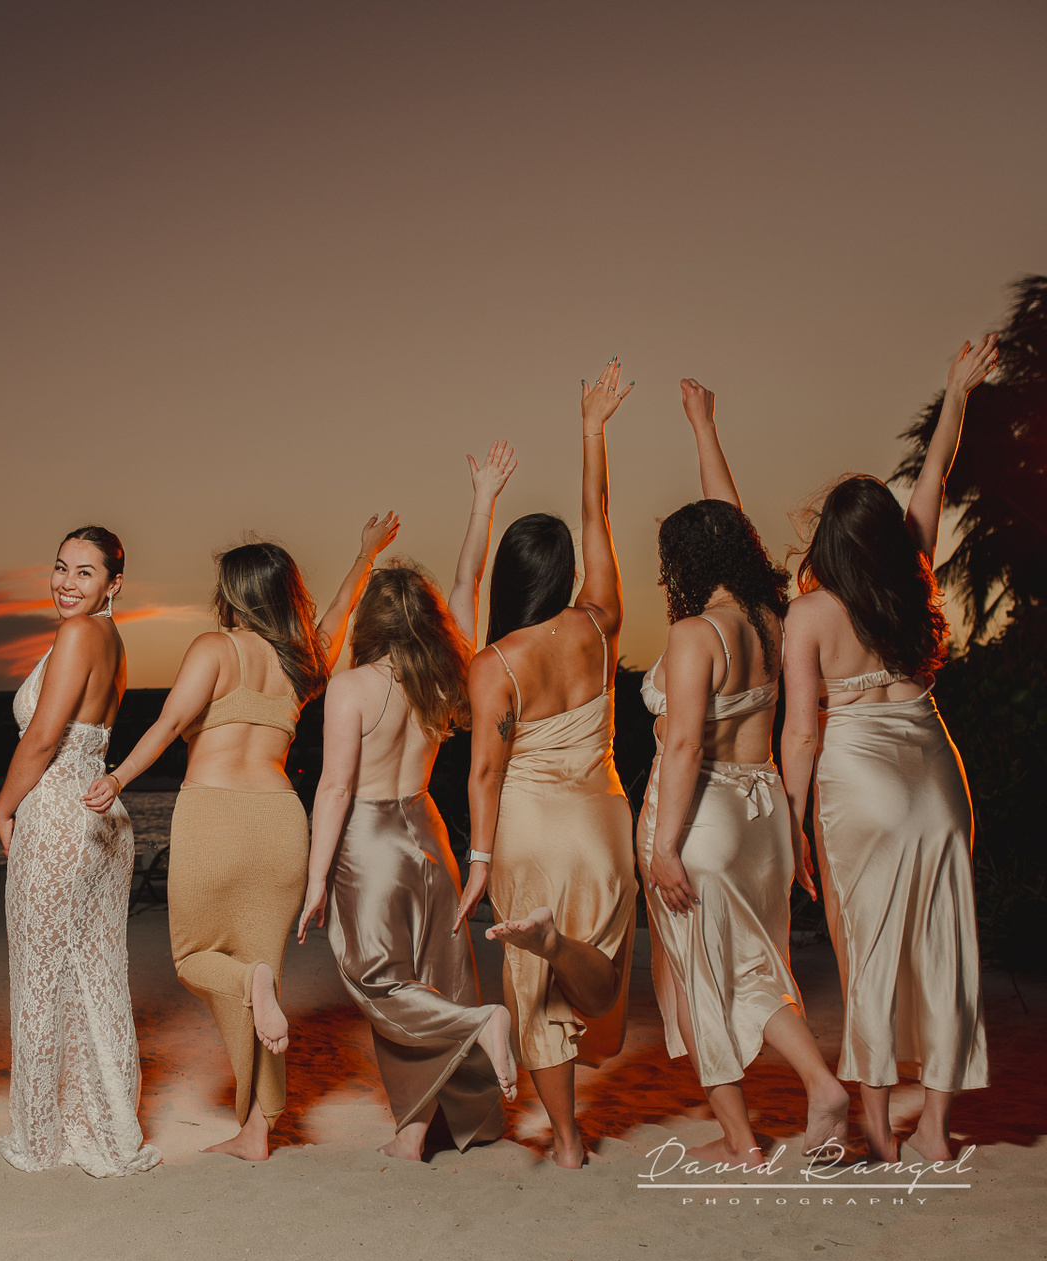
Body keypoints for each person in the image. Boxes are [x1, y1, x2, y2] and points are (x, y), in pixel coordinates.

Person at [86, 515, 398, 1161]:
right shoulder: (301, 660)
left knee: (194, 959)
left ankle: (252, 990)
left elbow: (168, 724)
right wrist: (365, 554)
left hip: (215, 815)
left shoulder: (214, 647)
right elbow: (339, 612)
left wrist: (116, 778)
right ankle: (257, 1130)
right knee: (261, 985)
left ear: (232, 592)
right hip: (280, 821)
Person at [780, 337, 997, 1162]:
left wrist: (792, 820)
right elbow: (934, 475)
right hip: (936, 770)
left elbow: (803, 730)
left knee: (865, 953)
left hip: (858, 777)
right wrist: (957, 390)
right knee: (947, 947)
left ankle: (877, 1129)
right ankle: (935, 1129)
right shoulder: (914, 577)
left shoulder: (810, 616)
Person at [637, 382, 849, 1163]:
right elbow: (726, 514)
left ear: (683, 565)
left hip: (702, 814)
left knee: (699, 975)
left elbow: (684, 748)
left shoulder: (697, 633)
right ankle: (819, 1084)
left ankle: (742, 1142)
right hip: (762, 814)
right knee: (756, 966)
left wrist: (664, 846)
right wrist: (704, 426)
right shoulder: (774, 620)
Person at [297, 442, 521, 1160]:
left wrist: (315, 882)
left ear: (369, 623)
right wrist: (483, 499)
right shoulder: (446, 675)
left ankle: (481, 1023)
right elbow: (468, 578)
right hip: (428, 833)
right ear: (427, 620)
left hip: (369, 844)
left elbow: (335, 787)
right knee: (433, 981)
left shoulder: (351, 688)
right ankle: (416, 1131)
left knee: (380, 984)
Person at [453, 360, 637, 1169]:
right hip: (602, 820)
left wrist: (478, 860)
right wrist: (592, 430)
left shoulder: (494, 663)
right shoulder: (600, 623)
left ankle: (566, 1142)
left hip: (529, 829)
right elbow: (599, 513)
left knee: (531, 991)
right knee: (601, 968)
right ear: (565, 575)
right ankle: (561, 944)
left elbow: (484, 775)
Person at [0, 525, 161, 1177]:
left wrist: (2, 807)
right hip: (103, 821)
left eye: (85, 572)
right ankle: (109, 1123)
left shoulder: (77, 635)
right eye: (60, 567)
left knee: (40, 973)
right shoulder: (114, 641)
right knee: (96, 971)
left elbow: (41, 738)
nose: (66, 582)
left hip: (60, 815)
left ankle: (41, 1136)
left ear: (114, 584)